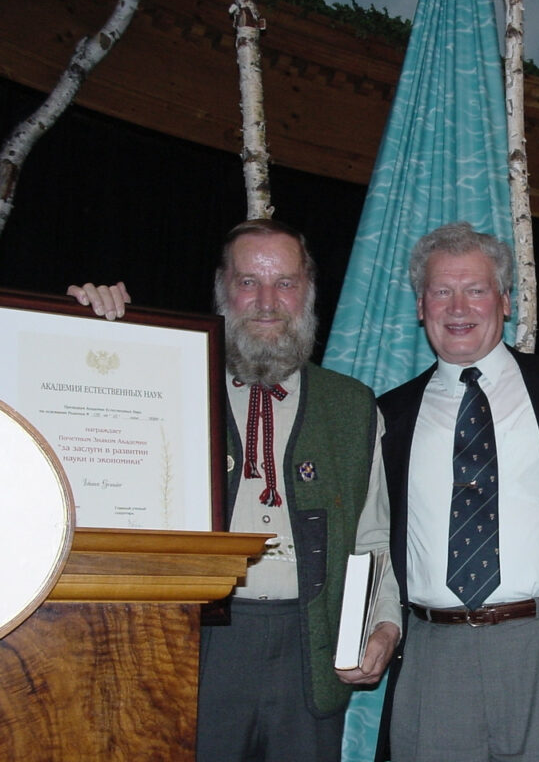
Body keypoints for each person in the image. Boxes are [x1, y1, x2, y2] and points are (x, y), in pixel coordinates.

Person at [68, 218, 401, 762]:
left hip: (309, 650)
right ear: (223, 289)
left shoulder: (352, 406)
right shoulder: (167, 380)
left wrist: (384, 624)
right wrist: (90, 324)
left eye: (285, 283)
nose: (267, 302)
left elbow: (374, 539)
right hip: (196, 645)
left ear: (308, 292)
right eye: (249, 282)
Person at [375, 221, 539, 762]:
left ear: (504, 301)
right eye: (441, 291)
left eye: (476, 289)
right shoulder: (388, 416)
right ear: (420, 306)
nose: (458, 307)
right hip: (434, 654)